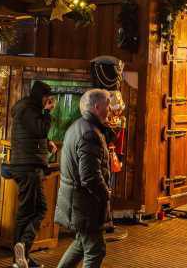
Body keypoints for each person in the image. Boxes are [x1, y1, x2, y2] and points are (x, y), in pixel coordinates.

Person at [54, 89, 114, 268]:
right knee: (96, 250)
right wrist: (106, 194)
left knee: (82, 243)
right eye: (108, 105)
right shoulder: (89, 133)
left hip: (77, 201)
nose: (110, 110)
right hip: (84, 203)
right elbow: (89, 176)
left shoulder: (80, 126)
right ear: (97, 107)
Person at [3, 80, 55, 268]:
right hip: (29, 168)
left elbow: (34, 132)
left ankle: (21, 258)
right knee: (33, 210)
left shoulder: (26, 108)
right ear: (41, 96)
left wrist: (46, 142)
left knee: (31, 210)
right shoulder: (29, 109)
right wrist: (48, 112)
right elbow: (40, 128)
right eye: (47, 99)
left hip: (27, 166)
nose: (48, 102)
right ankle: (22, 247)